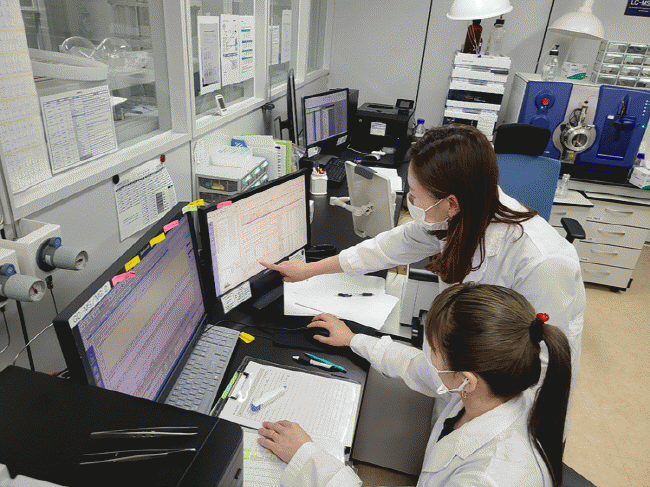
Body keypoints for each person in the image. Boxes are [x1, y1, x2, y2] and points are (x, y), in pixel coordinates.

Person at [260, 124, 585, 415]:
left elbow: (541, 372)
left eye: (414, 195)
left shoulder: (542, 262)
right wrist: (309, 270)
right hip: (461, 378)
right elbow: (385, 248)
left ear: (451, 203)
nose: (410, 202)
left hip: (510, 408)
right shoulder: (465, 212)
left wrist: (356, 341)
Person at [258, 283, 572, 487]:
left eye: (433, 350)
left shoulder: (490, 477)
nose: (427, 357)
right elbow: (413, 365)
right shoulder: (496, 383)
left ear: (467, 380)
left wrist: (307, 459)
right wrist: (353, 339)